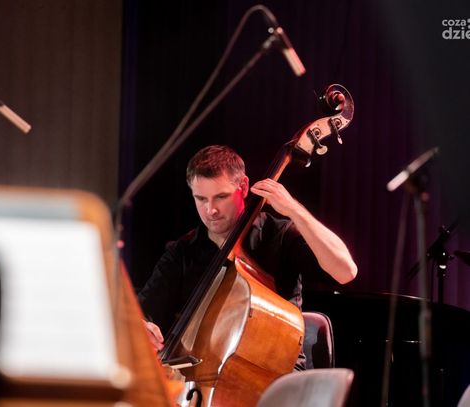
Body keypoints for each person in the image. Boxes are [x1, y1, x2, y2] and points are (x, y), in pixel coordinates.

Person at [138, 144, 357, 370]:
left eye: (221, 197)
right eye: (201, 199)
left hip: (276, 373)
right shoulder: (182, 251)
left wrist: (295, 209)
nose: (211, 210)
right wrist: (141, 327)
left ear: (243, 186)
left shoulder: (279, 235)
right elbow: (142, 313)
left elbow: (346, 271)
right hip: (201, 377)